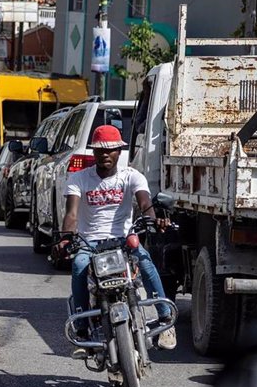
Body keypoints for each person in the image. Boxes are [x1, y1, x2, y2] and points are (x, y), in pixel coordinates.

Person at [56, 125, 177, 352]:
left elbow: (144, 203)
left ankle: (165, 320)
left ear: (119, 151)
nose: (105, 154)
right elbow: (71, 213)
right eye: (100, 150)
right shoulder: (79, 178)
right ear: (93, 152)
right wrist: (65, 239)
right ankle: (82, 328)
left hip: (124, 239)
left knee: (145, 261)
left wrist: (153, 219)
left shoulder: (131, 176)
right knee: (79, 265)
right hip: (89, 242)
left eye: (111, 150)